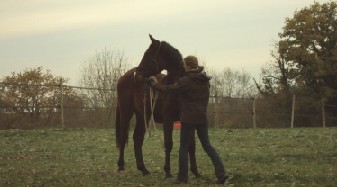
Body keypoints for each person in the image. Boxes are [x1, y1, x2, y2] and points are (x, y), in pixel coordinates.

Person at [145, 55, 229, 184]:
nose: (183, 67)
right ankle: (221, 172)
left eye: (184, 65)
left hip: (188, 119)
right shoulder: (205, 80)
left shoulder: (186, 81)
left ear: (188, 66)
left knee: (183, 147)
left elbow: (169, 89)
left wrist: (155, 85)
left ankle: (183, 177)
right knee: (207, 146)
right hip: (202, 119)